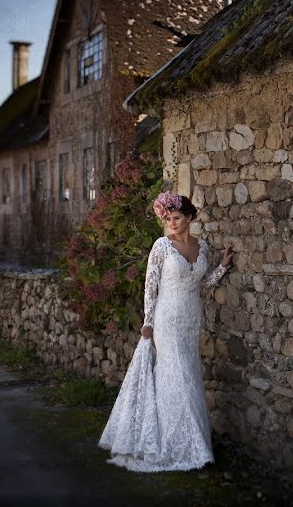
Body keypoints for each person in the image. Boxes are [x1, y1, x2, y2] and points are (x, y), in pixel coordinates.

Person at [99, 191, 234, 471]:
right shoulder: (162, 246)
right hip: (166, 320)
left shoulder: (203, 247)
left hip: (191, 319)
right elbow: (151, 286)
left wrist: (222, 266)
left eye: (177, 218)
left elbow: (204, 283)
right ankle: (188, 446)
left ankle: (188, 441)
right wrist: (148, 322)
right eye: (168, 218)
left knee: (190, 375)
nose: (171, 223)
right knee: (178, 377)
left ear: (190, 217)